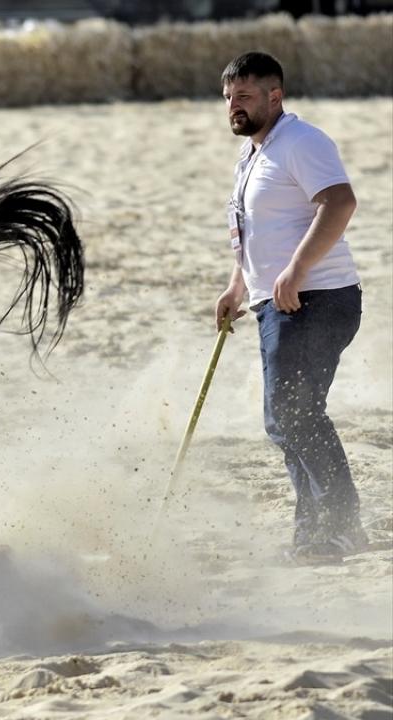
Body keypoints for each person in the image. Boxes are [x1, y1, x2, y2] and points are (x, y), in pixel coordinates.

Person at [214, 51, 365, 562]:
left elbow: (340, 202)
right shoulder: (252, 154)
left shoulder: (301, 141)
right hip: (275, 304)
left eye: (245, 96)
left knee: (296, 415)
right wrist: (237, 286)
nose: (234, 106)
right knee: (284, 421)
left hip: (318, 298)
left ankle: (341, 526)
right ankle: (313, 534)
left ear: (275, 96)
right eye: (228, 97)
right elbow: (258, 231)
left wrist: (296, 271)